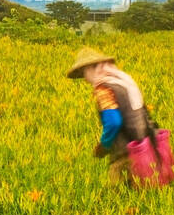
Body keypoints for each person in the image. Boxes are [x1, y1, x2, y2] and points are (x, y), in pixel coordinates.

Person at [67, 46, 158, 183]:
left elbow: (113, 122)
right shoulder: (124, 83)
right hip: (145, 148)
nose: (85, 79)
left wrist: (104, 145)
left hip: (124, 155)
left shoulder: (103, 90)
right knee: (145, 193)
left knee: (117, 197)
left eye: (84, 73)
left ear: (92, 68)